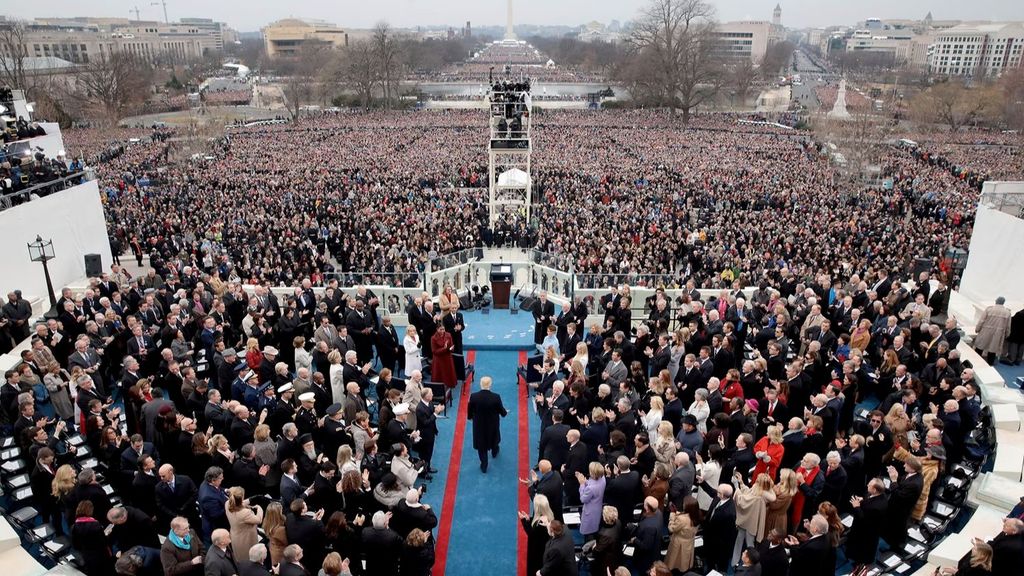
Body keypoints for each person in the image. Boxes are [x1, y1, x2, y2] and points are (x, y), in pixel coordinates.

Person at [846, 478, 889, 572]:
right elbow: (870, 500)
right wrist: (863, 499)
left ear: (874, 490)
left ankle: (858, 565)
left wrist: (856, 506)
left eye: (869, 485)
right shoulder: (881, 495)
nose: (867, 486)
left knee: (861, 551)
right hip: (871, 531)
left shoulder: (876, 507)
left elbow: (864, 519)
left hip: (865, 533)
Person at [467, 376, 507, 473]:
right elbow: (502, 412)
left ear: (480, 384)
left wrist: (470, 418)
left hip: (479, 425)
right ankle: (494, 451)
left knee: (481, 445)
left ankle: (484, 465)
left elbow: (470, 411)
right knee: (494, 438)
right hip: (492, 424)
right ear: (490, 385)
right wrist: (504, 412)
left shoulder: (474, 396)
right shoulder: (496, 397)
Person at [71, 500, 113, 576]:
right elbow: (104, 542)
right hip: (101, 555)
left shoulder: (74, 527)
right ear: (90, 510)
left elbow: (75, 545)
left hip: (87, 555)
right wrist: (107, 535)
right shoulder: (96, 525)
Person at [226, 486, 264, 564]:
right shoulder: (245, 513)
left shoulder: (227, 504)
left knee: (241, 560)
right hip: (246, 540)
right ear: (241, 498)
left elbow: (239, 503)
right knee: (250, 560)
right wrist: (259, 508)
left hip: (236, 538)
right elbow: (258, 520)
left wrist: (250, 500)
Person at [519, 494, 554, 576]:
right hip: (544, 548)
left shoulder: (539, 524)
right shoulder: (549, 516)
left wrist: (524, 521)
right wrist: (528, 519)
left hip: (537, 552)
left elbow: (531, 533)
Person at [665, 496, 701, 573]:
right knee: (684, 561)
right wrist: (676, 512)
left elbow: (671, 529)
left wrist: (672, 515)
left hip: (678, 543)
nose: (683, 504)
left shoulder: (682, 519)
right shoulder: (697, 515)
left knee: (674, 560)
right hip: (689, 541)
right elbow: (685, 516)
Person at [975, 297, 1012, 364]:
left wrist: (977, 329)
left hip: (985, 332)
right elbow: (1008, 326)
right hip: (998, 334)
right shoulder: (1007, 312)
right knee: (992, 350)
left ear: (996, 301)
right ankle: (990, 364)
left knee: (979, 347)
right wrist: (1007, 334)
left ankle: (975, 362)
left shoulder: (989, 309)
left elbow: (981, 321)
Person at [578, 461, 607, 539]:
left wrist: (581, 484)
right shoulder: (603, 478)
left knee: (589, 534)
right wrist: (585, 482)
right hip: (598, 508)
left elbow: (583, 499)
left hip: (590, 512)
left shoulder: (590, 488)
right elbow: (593, 483)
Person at [430, 323, 457, 389]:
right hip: (439, 359)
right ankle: (438, 387)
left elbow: (451, 345)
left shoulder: (448, 335)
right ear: (437, 329)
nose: (442, 331)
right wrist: (444, 349)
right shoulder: (433, 338)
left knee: (448, 372)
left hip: (447, 357)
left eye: (443, 329)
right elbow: (434, 351)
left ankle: (450, 384)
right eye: (440, 329)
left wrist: (451, 348)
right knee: (439, 374)